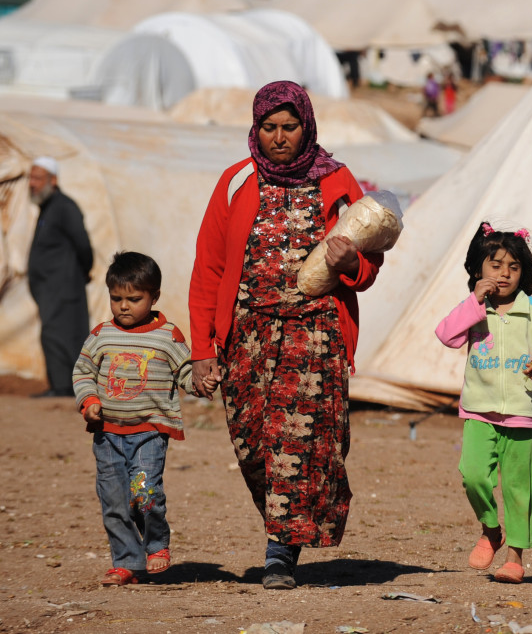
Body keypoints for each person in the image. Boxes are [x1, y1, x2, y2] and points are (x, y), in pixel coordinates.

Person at [187, 81, 383, 590]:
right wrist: (203, 349)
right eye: (269, 127)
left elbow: (371, 256)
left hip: (314, 332)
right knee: (253, 445)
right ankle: (284, 525)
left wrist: (351, 263)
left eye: (289, 127)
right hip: (246, 336)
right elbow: (208, 268)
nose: (279, 137)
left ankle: (281, 552)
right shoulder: (235, 181)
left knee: (297, 442)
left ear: (307, 126)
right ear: (256, 128)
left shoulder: (337, 180)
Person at [435, 225, 532, 584]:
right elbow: (446, 335)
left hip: (523, 414)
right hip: (479, 409)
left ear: (524, 273)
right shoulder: (474, 310)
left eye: (513, 267)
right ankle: (491, 529)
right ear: (479, 270)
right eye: (495, 265)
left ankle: (515, 558)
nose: (504, 274)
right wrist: (474, 301)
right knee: (473, 475)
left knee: (518, 488)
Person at [74, 252, 197, 586]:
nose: (123, 306)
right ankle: (127, 562)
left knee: (144, 493)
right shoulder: (101, 334)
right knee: (113, 499)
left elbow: (187, 371)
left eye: (134, 299)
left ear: (154, 297)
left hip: (149, 432)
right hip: (107, 434)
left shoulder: (168, 336)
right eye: (116, 298)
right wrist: (89, 399)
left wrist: (202, 381)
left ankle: (156, 546)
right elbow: (83, 371)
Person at [28, 156, 93, 397]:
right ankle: (62, 385)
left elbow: (83, 244)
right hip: (52, 287)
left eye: (37, 178)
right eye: (30, 178)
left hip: (64, 284)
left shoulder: (65, 206)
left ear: (52, 180)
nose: (32, 183)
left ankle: (64, 387)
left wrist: (83, 271)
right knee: (56, 333)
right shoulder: (48, 208)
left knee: (60, 334)